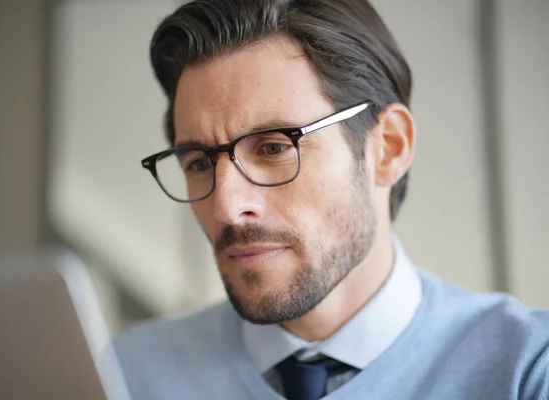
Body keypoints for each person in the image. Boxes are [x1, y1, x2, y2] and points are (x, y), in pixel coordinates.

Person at [114, 1, 549, 399]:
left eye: (273, 148)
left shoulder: (527, 370)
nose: (227, 208)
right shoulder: (124, 375)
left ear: (389, 148)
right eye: (199, 163)